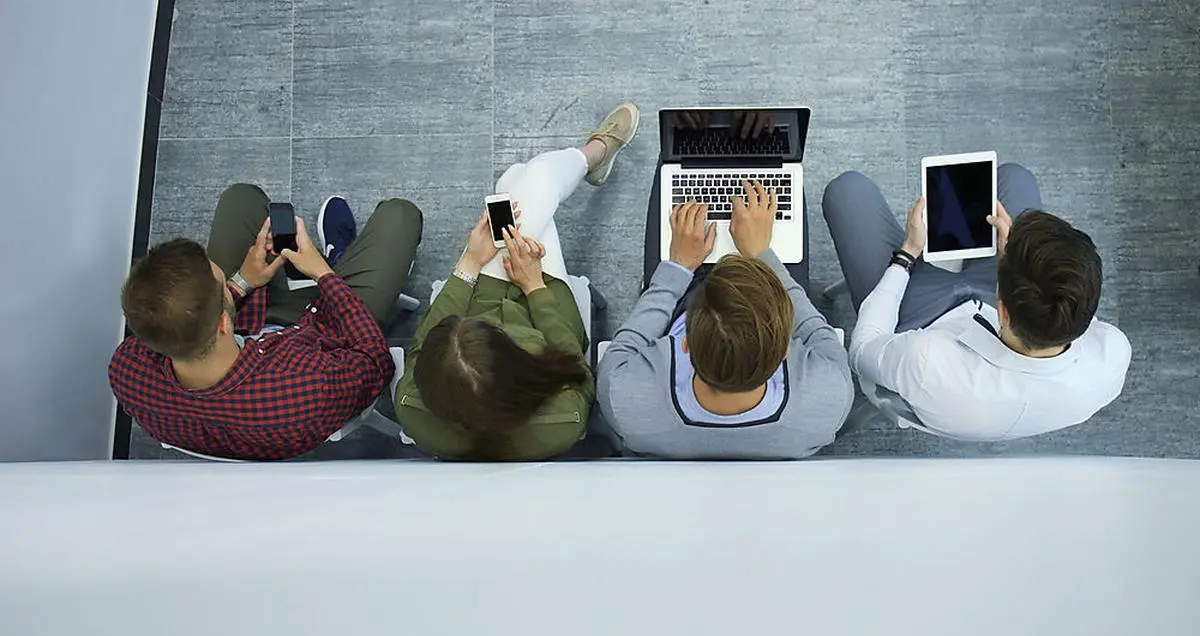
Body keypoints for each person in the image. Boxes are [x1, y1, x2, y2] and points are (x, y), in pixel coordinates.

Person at [394, 103, 639, 461]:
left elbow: (426, 341)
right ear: (518, 371)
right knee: (533, 177)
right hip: (544, 308)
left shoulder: (412, 409)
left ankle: (593, 157)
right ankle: (594, 154)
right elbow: (572, 363)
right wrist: (534, 286)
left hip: (481, 292)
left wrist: (469, 263)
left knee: (516, 183)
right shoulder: (562, 422)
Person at [110, 186, 422, 460]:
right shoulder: (307, 390)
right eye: (224, 282)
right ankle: (333, 259)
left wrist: (241, 283)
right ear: (221, 322)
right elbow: (375, 360)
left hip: (251, 322)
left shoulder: (127, 371)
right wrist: (322, 274)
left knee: (241, 197)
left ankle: (326, 263)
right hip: (325, 332)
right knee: (400, 216)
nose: (227, 277)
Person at [822, 164, 1132, 440]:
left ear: (1004, 310)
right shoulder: (1111, 354)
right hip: (1011, 307)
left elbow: (862, 351)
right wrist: (1017, 261)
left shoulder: (928, 360)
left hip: (922, 320)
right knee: (1014, 176)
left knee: (848, 190)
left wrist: (906, 255)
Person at [596, 182, 854, 459]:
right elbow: (817, 332)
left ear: (685, 345)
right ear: (784, 352)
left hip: (687, 295)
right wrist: (762, 255)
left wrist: (677, 268)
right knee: (781, 188)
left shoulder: (625, 401)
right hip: (751, 296)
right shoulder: (829, 399)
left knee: (675, 174)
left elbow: (624, 347)